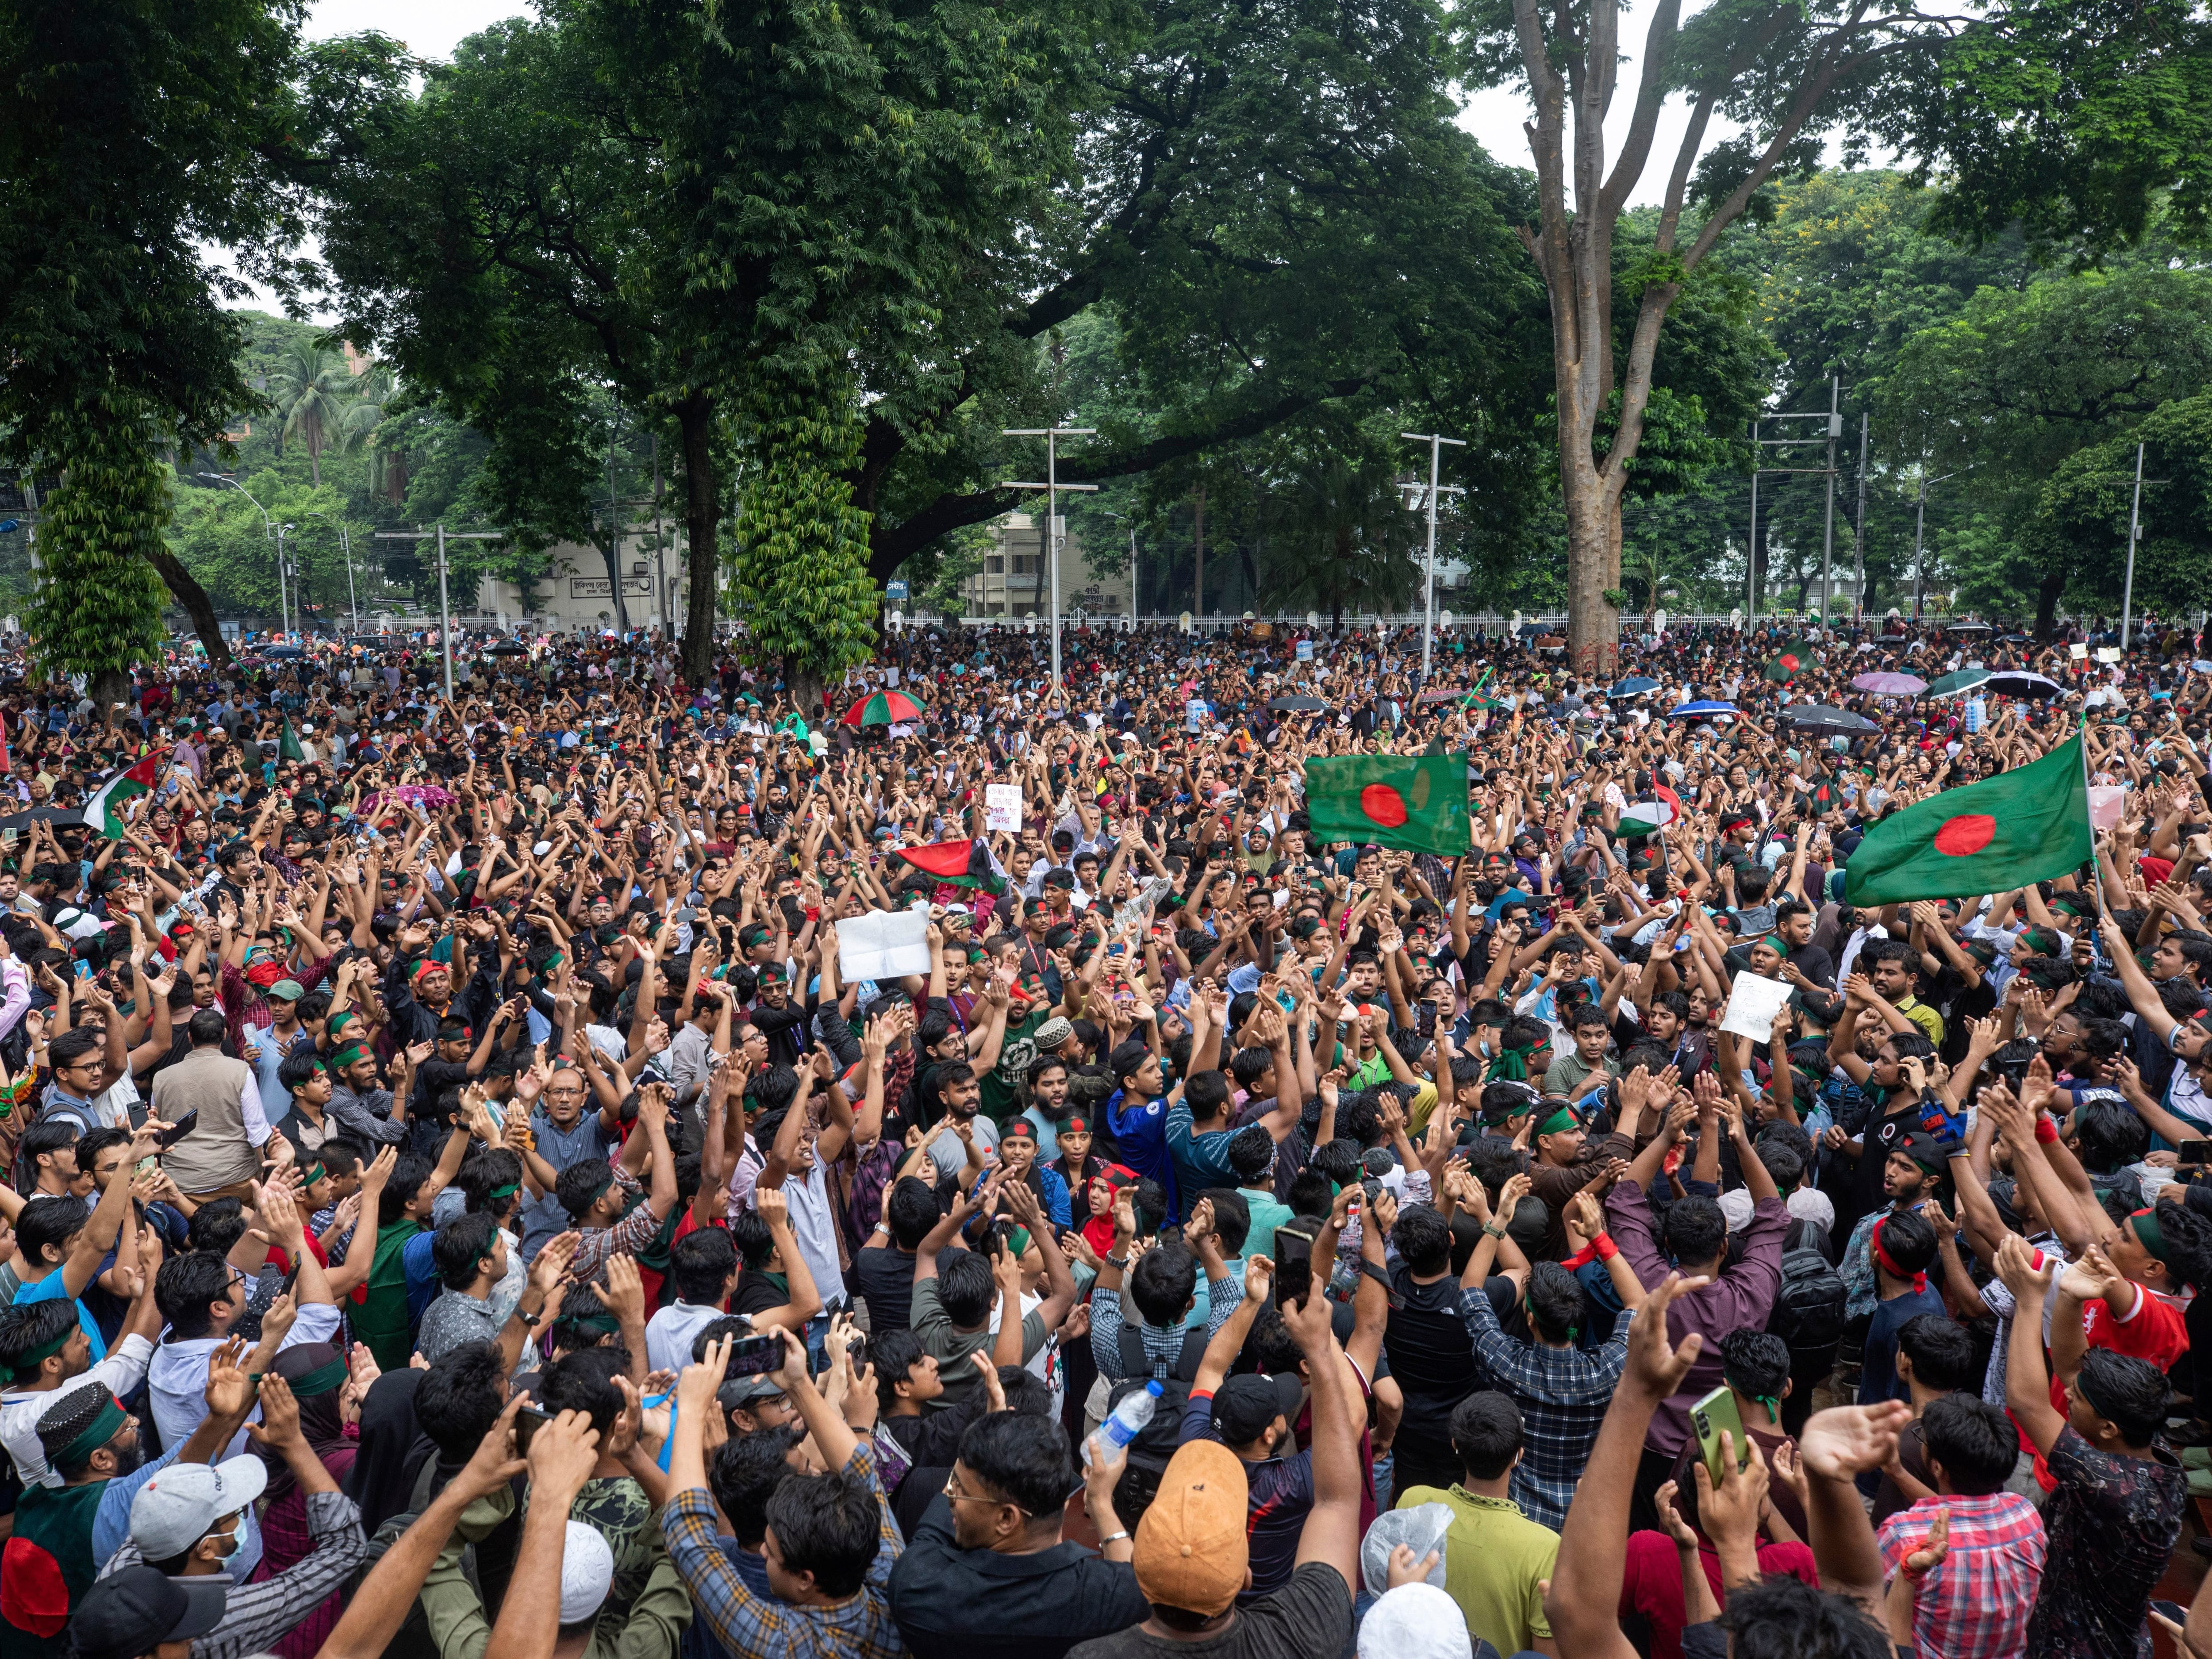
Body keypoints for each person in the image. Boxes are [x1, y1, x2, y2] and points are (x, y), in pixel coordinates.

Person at [886, 1408, 1148, 1659]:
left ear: (1006, 1519)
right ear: (1065, 1503)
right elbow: (1138, 1585)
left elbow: (930, 1536)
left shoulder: (916, 1589)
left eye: (959, 1488)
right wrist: (1101, 1502)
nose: (951, 1495)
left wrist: (986, 1446)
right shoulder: (1098, 1597)